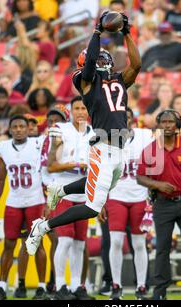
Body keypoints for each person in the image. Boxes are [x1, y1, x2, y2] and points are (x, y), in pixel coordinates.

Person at [25, 11, 141, 258]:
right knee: (92, 206)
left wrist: (127, 33)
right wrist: (97, 32)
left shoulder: (119, 80)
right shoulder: (85, 81)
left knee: (102, 185)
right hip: (103, 146)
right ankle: (42, 226)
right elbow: (88, 68)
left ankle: (61, 190)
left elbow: (137, 65)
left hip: (119, 149)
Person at [136, 110, 181, 300]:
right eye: (164, 122)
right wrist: (158, 184)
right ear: (158, 125)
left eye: (171, 122)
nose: (168, 125)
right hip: (162, 203)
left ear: (178, 125)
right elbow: (140, 177)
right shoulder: (151, 149)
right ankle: (160, 291)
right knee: (162, 247)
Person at [0, 115, 48, 300]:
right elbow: (0, 178)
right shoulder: (3, 147)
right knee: (9, 244)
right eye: (15, 126)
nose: (19, 129)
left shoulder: (38, 143)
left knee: (36, 243)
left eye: (22, 126)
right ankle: (2, 286)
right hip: (13, 201)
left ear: (28, 128)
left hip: (35, 200)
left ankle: (42, 287)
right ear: (10, 129)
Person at [44, 97, 96, 300]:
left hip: (84, 192)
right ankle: (60, 286)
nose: (81, 112)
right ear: (71, 111)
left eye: (84, 108)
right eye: (77, 108)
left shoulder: (95, 133)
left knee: (79, 243)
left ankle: (76, 286)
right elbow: (51, 165)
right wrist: (75, 164)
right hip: (64, 190)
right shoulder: (61, 130)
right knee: (64, 241)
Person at [104, 107, 153, 300]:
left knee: (139, 243)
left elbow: (153, 167)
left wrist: (151, 196)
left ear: (133, 120)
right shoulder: (108, 139)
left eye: (128, 118)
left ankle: (141, 286)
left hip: (140, 196)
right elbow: (103, 173)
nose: (125, 121)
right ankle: (116, 285)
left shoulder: (145, 136)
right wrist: (100, 201)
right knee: (115, 241)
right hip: (117, 196)